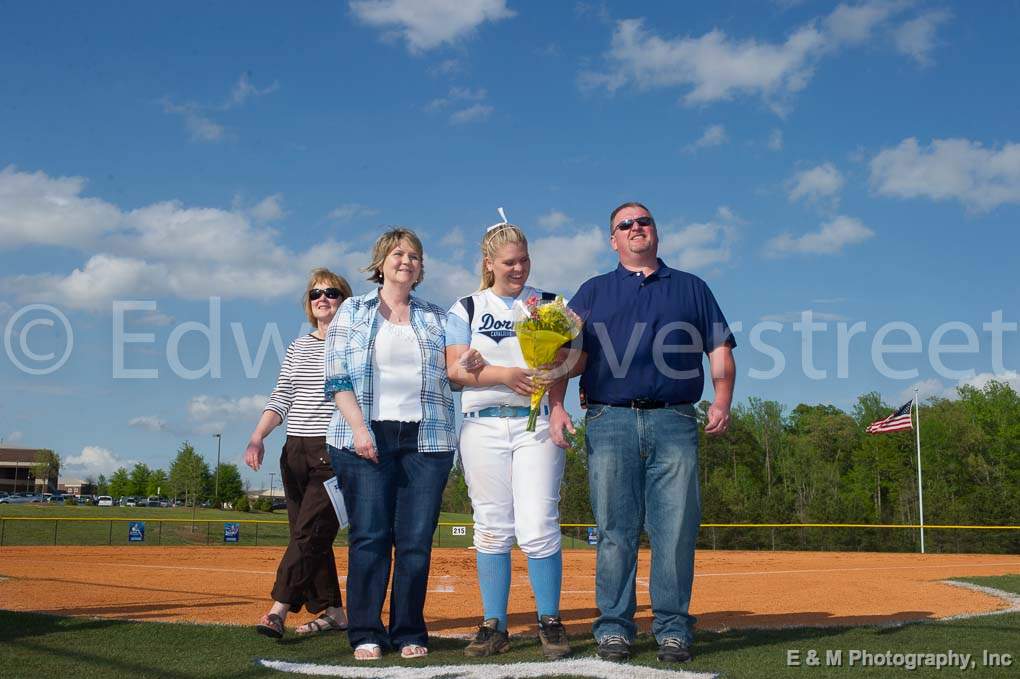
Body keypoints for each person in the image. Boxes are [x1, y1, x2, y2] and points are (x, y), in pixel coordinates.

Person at [548, 201, 736, 664]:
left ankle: (673, 629)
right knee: (616, 531)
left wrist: (722, 399)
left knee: (675, 530)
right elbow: (562, 355)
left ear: (656, 232)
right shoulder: (591, 291)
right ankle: (614, 629)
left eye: (643, 222)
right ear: (613, 240)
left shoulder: (693, 288)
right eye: (624, 225)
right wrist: (555, 406)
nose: (636, 228)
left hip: (674, 419)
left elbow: (719, 348)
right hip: (609, 420)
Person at [325, 228, 456, 661]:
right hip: (364, 434)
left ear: (421, 268)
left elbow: (454, 374)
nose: (407, 260)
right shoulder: (352, 312)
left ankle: (408, 631)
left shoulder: (437, 317)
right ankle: (365, 631)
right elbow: (337, 376)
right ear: (380, 263)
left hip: (427, 438)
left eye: (415, 255)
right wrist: (360, 428)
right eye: (398, 253)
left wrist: (470, 363)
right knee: (370, 537)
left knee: (416, 540)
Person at [445, 216, 570, 660]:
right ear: (489, 264)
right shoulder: (467, 308)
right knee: (492, 527)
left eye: (524, 260)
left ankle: (550, 621)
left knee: (537, 523)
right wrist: (502, 374)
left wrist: (556, 401)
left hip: (534, 423)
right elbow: (456, 370)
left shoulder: (549, 304)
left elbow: (567, 361)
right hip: (482, 424)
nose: (519, 269)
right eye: (509, 262)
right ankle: (494, 624)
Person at [245, 267, 353, 639]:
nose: (322, 298)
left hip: (332, 450)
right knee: (309, 535)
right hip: (293, 449)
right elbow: (283, 395)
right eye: (315, 293)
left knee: (308, 533)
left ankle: (278, 608)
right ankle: (336, 611)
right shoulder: (298, 347)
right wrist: (258, 435)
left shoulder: (353, 346)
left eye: (332, 292)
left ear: (345, 299)